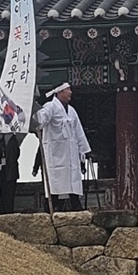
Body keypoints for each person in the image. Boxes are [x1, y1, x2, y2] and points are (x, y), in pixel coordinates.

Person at [32, 82, 91, 211]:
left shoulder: (72, 110)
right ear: (59, 92)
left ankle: (75, 203)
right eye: (67, 89)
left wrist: (84, 150)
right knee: (56, 179)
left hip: (70, 151)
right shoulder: (50, 107)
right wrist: (34, 107)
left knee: (73, 178)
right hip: (56, 151)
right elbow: (40, 122)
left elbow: (78, 131)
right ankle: (52, 205)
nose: (70, 92)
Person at [0, 131, 23, 214]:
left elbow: (16, 153)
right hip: (5, 172)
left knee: (4, 197)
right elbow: (16, 153)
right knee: (4, 197)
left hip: (5, 172)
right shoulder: (11, 138)